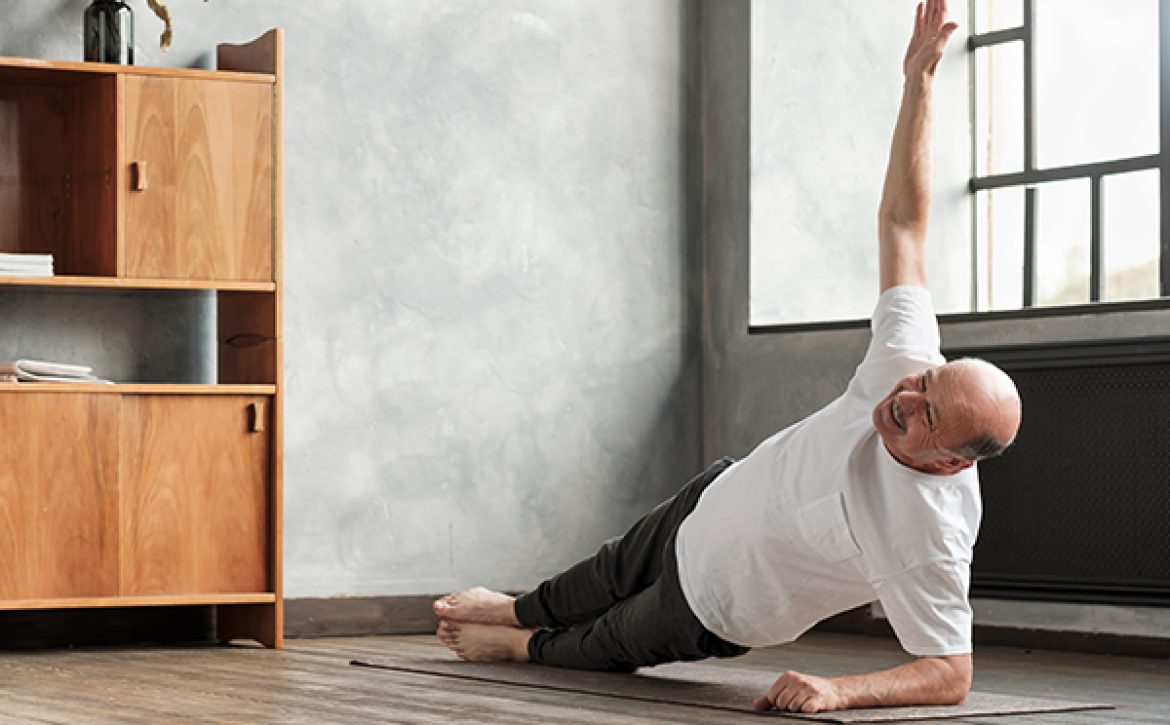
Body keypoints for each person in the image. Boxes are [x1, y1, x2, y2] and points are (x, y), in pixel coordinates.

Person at [432, 0, 1022, 714]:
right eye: (923, 382)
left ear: (953, 462)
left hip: (719, 602)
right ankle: (520, 608)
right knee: (608, 567)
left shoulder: (932, 533)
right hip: (715, 497)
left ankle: (521, 645)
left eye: (928, 414)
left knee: (609, 640)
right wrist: (918, 83)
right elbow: (903, 220)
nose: (905, 398)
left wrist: (841, 689)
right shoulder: (903, 359)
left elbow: (950, 672)